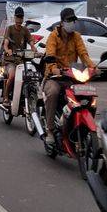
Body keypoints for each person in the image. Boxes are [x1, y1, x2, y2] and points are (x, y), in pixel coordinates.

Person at [43, 8, 96, 144]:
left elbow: (83, 54)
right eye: (69, 20)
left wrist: (92, 67)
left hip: (72, 77)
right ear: (62, 22)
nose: (72, 23)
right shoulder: (53, 36)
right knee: (53, 92)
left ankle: (80, 125)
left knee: (88, 94)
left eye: (73, 20)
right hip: (55, 77)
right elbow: (50, 54)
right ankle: (50, 129)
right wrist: (53, 68)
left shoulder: (76, 36)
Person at [2, 7, 37, 107]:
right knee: (12, 75)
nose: (19, 20)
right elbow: (6, 43)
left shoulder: (25, 30)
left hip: (22, 61)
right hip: (11, 60)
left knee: (30, 75)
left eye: (21, 17)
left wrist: (33, 47)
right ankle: (6, 97)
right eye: (18, 17)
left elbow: (30, 40)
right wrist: (7, 50)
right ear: (14, 17)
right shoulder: (10, 29)